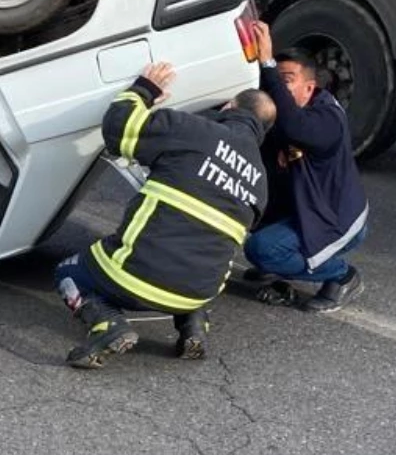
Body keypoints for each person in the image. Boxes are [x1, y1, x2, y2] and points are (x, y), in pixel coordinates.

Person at [56, 63, 275, 368]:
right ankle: (193, 327)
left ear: (229, 106)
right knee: (199, 248)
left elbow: (119, 129)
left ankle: (108, 324)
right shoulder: (261, 182)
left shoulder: (195, 131)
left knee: (68, 272)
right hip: (198, 294)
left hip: (134, 278)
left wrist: (144, 89)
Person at [244, 22, 368, 311]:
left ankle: (341, 275)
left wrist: (267, 63)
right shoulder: (284, 114)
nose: (276, 86)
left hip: (335, 220)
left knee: (262, 250)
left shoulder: (327, 119)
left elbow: (294, 127)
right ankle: (279, 263)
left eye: (286, 79)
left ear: (309, 87)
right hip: (302, 209)